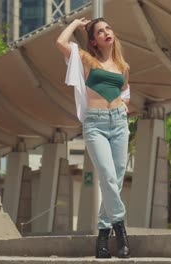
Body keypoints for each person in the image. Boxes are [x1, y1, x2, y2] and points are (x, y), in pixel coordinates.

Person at [56, 17, 131, 258]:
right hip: (95, 124)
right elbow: (60, 41)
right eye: (100, 31)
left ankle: (101, 238)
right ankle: (119, 229)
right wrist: (77, 23)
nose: (107, 32)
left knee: (116, 182)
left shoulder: (122, 66)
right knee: (108, 177)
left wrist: (125, 104)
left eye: (108, 28)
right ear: (94, 41)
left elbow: (125, 90)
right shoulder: (87, 59)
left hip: (119, 122)